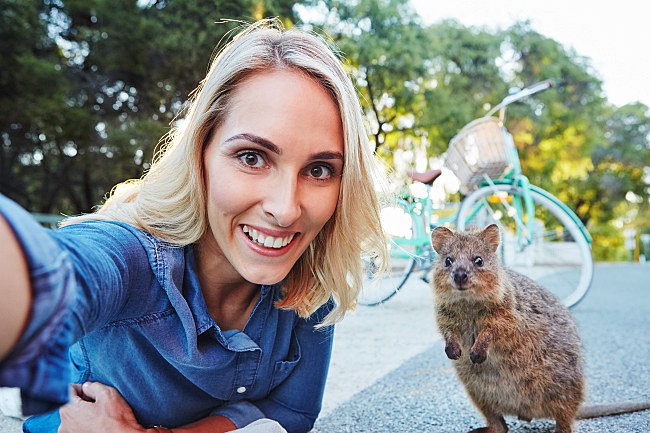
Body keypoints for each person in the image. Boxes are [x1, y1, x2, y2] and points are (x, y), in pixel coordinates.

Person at [0, 19, 386, 433]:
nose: (286, 209)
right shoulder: (131, 255)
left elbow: (294, 412)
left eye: (319, 169)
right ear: (201, 151)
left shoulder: (311, 281)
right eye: (253, 157)